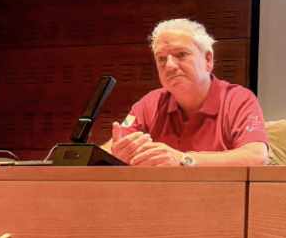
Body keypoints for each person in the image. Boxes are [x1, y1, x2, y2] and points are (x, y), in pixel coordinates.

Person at [104, 19, 268, 166]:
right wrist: (116, 156)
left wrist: (184, 160)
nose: (169, 66)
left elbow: (256, 156)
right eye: (161, 58)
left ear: (208, 59)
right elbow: (108, 149)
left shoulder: (238, 99)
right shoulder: (150, 103)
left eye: (181, 54)